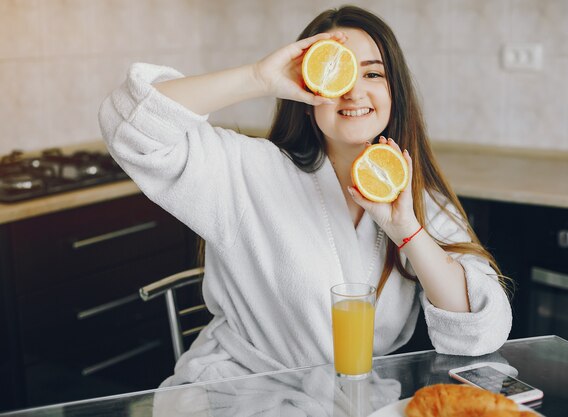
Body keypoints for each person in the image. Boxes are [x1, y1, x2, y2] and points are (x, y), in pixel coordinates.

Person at [98, 5, 512, 387]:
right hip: (239, 396)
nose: (354, 93)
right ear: (308, 94)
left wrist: (406, 230)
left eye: (372, 74)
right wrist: (259, 78)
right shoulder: (250, 171)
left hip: (356, 398)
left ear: (395, 92)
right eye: (340, 76)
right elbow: (129, 125)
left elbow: (479, 331)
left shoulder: (418, 202)